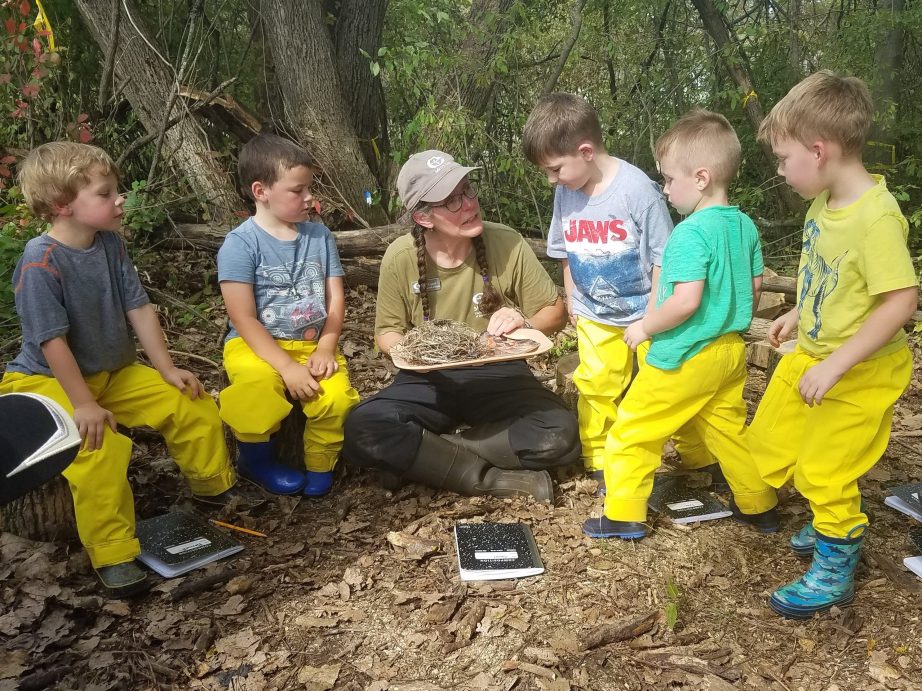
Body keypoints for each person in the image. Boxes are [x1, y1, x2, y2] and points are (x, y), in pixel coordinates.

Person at [1, 142, 258, 598]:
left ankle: (211, 486)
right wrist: (82, 404)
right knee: (96, 448)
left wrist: (166, 368)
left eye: (116, 190)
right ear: (63, 205)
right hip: (47, 381)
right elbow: (50, 340)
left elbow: (138, 306)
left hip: (114, 372)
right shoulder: (41, 263)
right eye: (106, 193)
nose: (120, 200)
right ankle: (114, 551)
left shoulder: (109, 244)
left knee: (188, 402)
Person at [749, 71, 918, 619]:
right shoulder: (822, 205)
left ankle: (836, 560)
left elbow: (899, 302)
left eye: (782, 157)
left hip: (861, 369)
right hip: (820, 354)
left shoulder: (875, 218)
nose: (779, 170)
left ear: (819, 151)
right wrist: (801, 312)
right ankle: (828, 515)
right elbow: (835, 279)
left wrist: (839, 362)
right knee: (776, 440)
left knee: (825, 468)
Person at [579, 110, 780, 540]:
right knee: (727, 431)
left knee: (632, 429)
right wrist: (728, 312)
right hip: (729, 351)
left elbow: (685, 301)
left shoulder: (690, 234)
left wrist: (645, 327)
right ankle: (758, 503)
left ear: (701, 177)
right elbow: (756, 283)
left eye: (669, 179)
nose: (665, 189)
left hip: (685, 354)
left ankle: (624, 513)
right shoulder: (743, 226)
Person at [342, 150, 580, 501]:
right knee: (363, 427)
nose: (469, 204)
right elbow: (387, 332)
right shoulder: (401, 255)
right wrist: (415, 353)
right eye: (452, 201)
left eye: (468, 191)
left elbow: (554, 311)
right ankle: (488, 479)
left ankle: (429, 456)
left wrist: (524, 321)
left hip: (499, 372)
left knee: (560, 433)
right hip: (427, 379)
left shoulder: (506, 242)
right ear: (423, 217)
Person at [522, 92, 723, 492]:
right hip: (596, 312)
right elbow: (564, 252)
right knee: (597, 383)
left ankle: (699, 455)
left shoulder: (638, 191)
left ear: (586, 151)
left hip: (648, 312)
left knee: (667, 384)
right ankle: (599, 457)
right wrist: (574, 298)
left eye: (555, 169)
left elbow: (663, 258)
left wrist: (652, 317)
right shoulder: (566, 191)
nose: (551, 179)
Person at [217, 133, 359, 498]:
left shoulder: (319, 236)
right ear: (260, 190)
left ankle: (320, 463)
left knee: (336, 397)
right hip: (255, 345)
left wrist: (327, 347)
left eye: (309, 188)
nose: (309, 197)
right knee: (255, 389)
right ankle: (256, 460)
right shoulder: (240, 244)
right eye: (298, 190)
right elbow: (244, 318)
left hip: (312, 345)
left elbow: (334, 297)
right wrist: (286, 367)